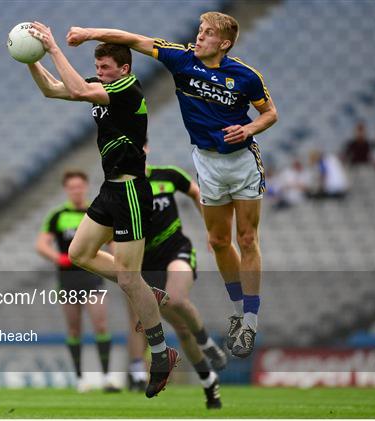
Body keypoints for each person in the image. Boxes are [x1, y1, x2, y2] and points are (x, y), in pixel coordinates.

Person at [66, 10, 278, 358]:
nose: (199, 36)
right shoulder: (181, 59)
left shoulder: (246, 77)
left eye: (207, 33)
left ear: (223, 43)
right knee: (219, 240)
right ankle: (239, 308)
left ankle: (248, 319)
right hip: (207, 162)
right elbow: (134, 40)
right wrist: (89, 33)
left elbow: (270, 112)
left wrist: (250, 128)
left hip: (241, 161)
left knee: (247, 238)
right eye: (199, 30)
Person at [27, 21, 179, 398]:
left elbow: (76, 88)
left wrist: (52, 48)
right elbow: (51, 90)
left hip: (130, 189)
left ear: (124, 69)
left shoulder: (127, 87)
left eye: (106, 68)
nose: (101, 74)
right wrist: (29, 58)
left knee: (128, 279)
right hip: (110, 190)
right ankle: (145, 290)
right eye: (98, 69)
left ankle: (161, 353)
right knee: (79, 253)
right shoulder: (104, 89)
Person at [130, 145, 226, 409]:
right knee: (182, 330)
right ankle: (209, 382)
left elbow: (195, 192)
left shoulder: (168, 176)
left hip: (177, 251)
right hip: (147, 268)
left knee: (176, 298)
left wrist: (211, 228)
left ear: (146, 148)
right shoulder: (122, 190)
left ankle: (207, 343)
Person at [36, 171, 119, 393]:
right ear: (66, 189)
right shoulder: (57, 215)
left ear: (86, 187)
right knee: (74, 329)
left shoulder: (96, 212)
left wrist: (121, 262)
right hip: (67, 279)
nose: (76, 190)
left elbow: (112, 241)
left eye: (79, 186)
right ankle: (80, 378)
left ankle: (107, 377)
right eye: (72, 187)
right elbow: (42, 244)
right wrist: (58, 257)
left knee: (100, 324)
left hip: (93, 276)